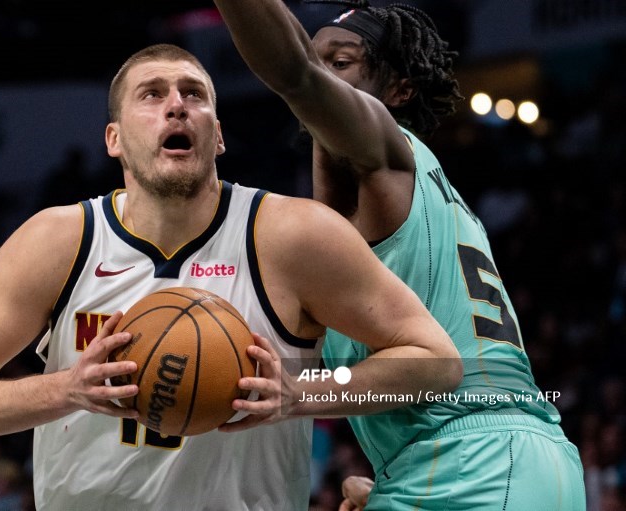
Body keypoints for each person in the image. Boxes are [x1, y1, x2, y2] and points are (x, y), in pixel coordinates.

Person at [0, 44, 461, 510]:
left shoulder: (293, 235)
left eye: (194, 94)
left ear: (217, 136)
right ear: (114, 138)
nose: (176, 106)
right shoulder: (58, 240)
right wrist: (66, 388)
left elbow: (437, 363)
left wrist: (302, 392)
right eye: (151, 95)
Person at [210, 0, 586, 509]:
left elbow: (294, 72)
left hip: (474, 464)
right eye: (317, 58)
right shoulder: (404, 198)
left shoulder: (389, 150)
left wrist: (303, 390)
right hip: (488, 461)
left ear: (398, 90)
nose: (323, 72)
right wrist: (396, 476)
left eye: (340, 62)